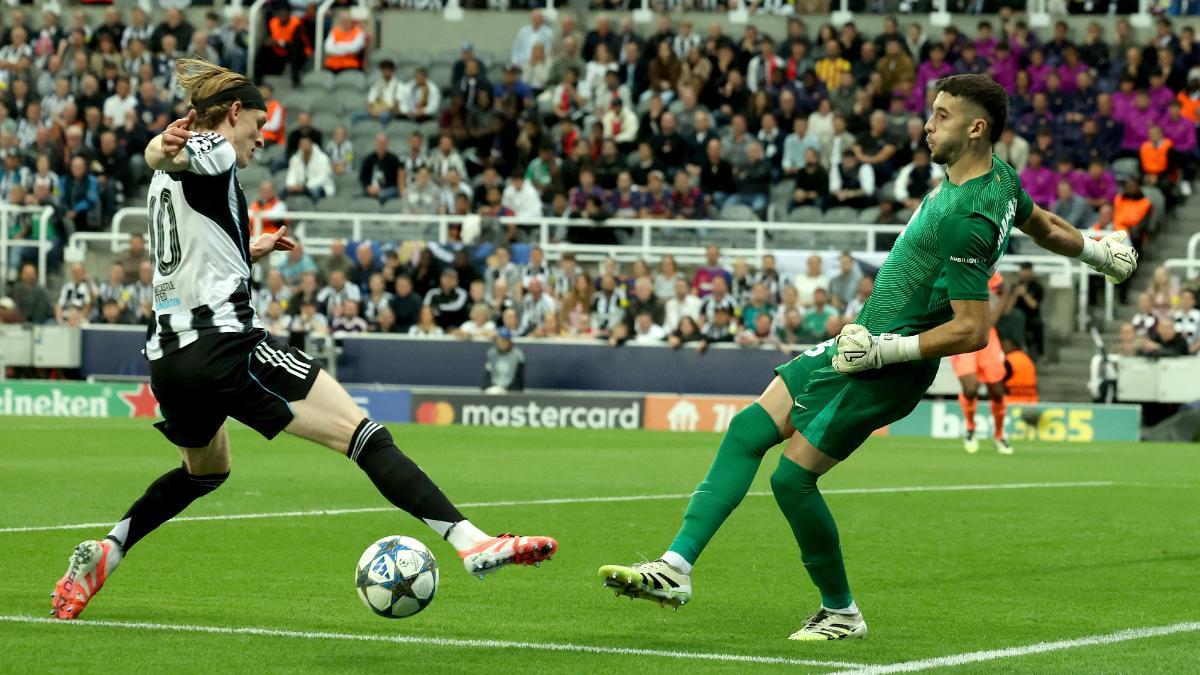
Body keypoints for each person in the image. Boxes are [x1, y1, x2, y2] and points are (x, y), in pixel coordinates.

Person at [597, 74, 1136, 640]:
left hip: (887, 362)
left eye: (943, 115)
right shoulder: (999, 181)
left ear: (977, 128)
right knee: (747, 430)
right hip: (864, 340)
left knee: (791, 481)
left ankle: (841, 613)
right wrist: (1100, 253)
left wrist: (884, 350)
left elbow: (973, 330)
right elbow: (1045, 224)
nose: (928, 124)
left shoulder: (967, 218)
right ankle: (675, 569)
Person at [50, 59, 557, 623]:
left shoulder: (168, 183)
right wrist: (158, 142)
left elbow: (188, 226)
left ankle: (107, 551)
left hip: (168, 357)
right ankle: (471, 542)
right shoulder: (212, 150)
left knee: (207, 472)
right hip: (226, 346)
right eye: (258, 126)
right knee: (364, 435)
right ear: (234, 113)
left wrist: (252, 250)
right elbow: (166, 151)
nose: (262, 140)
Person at [949, 273, 1013, 455]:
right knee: (970, 388)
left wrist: (994, 316)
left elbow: (1003, 291)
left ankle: (999, 435)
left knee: (997, 391)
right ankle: (970, 428)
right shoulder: (950, 265)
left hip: (987, 335)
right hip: (961, 333)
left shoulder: (985, 268)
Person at [484, 328, 526, 394]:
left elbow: (518, 377)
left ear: (509, 341)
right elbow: (488, 373)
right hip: (494, 387)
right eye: (499, 340)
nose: (501, 343)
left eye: (504, 340)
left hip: (511, 388)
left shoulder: (517, 355)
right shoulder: (491, 353)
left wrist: (510, 390)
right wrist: (487, 387)